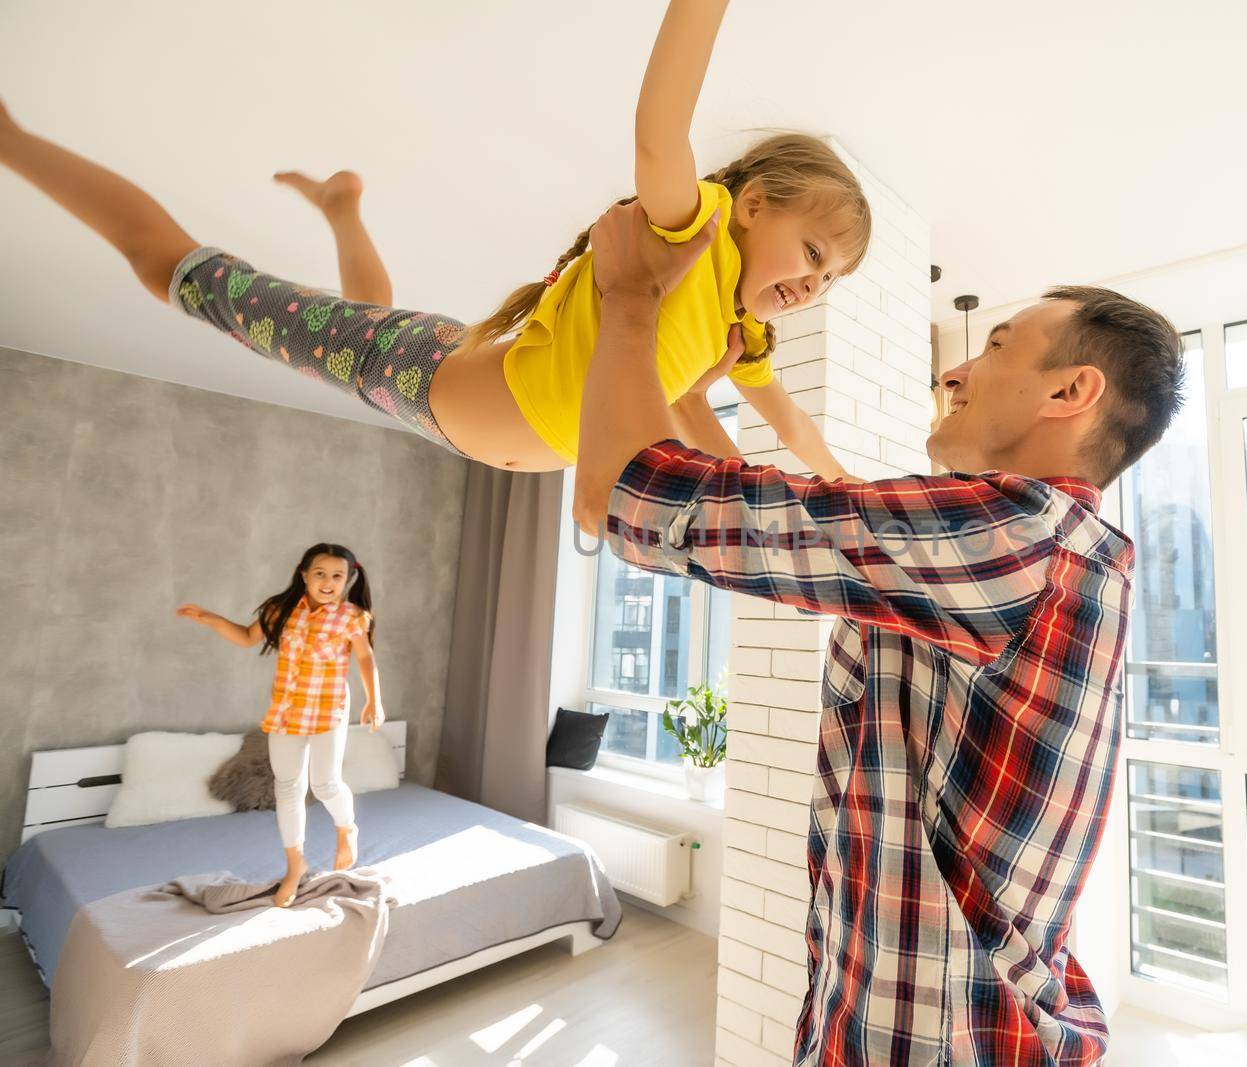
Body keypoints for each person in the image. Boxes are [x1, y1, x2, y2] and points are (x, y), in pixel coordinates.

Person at [572, 202, 1185, 1066]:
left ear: (1069, 391)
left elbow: (621, 499)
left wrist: (629, 298)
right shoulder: (1038, 551)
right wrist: (682, 394)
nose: (958, 372)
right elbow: (802, 521)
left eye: (998, 346)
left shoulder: (1014, 536)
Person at [0, 0, 867, 478]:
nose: (814, 285)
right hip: (427, 377)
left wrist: (854, 493)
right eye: (815, 253)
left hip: (445, 398)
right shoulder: (695, 232)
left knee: (356, 321)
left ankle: (344, 210)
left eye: (832, 282)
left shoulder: (737, 334)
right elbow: (659, 123)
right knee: (177, 273)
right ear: (754, 203)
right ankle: (10, 134)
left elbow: (787, 423)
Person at [177, 543, 384, 908]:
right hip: (288, 710)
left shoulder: (351, 617)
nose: (327, 582)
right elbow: (246, 637)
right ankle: (294, 865)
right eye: (319, 573)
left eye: (337, 576)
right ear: (303, 573)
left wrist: (374, 700)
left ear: (348, 580)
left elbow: (365, 658)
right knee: (287, 787)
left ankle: (345, 827)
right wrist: (210, 618)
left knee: (325, 784)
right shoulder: (281, 610)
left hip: (327, 708)